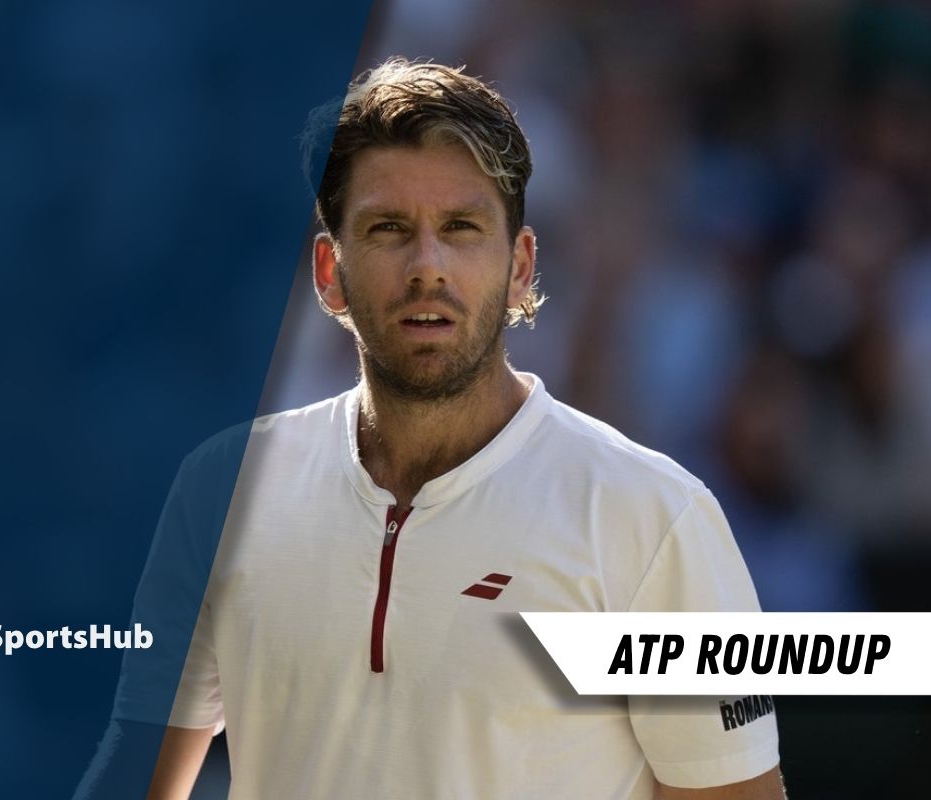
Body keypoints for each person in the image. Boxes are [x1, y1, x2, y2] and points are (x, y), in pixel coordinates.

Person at [133, 58, 785, 799]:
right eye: (387, 229)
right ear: (328, 271)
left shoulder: (657, 517)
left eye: (462, 228)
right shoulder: (221, 489)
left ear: (520, 266)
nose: (427, 266)